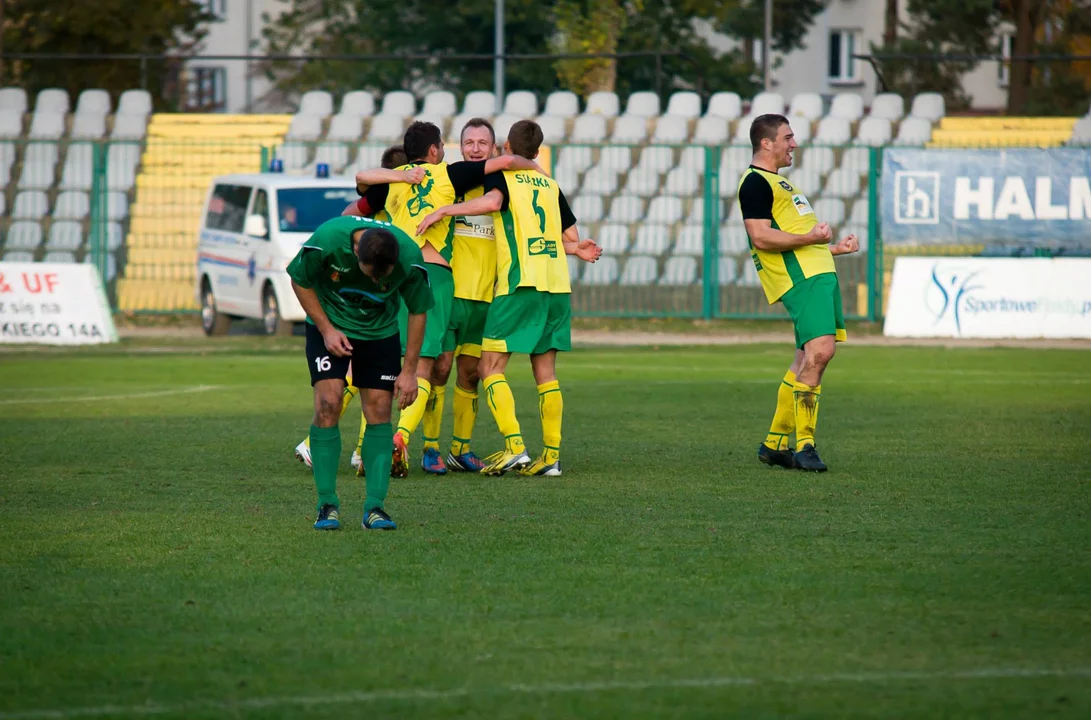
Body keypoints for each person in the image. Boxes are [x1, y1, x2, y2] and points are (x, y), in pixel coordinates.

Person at [354, 120, 545, 478]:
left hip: (485, 292)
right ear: (442, 149)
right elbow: (361, 200)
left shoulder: (493, 182)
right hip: (444, 285)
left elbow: (362, 181)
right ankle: (415, 444)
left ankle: (458, 448)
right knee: (431, 367)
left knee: (467, 374)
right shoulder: (448, 178)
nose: (475, 147)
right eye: (467, 142)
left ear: (493, 146)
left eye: (482, 142)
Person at [415, 119, 602, 476]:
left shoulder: (503, 177)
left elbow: (492, 202)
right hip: (557, 286)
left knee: (488, 367)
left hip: (519, 283)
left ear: (503, 149)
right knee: (546, 373)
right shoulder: (549, 183)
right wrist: (576, 250)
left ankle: (514, 445)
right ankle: (551, 457)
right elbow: (568, 235)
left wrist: (444, 210)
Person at [287, 215, 434, 530]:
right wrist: (326, 329)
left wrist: (409, 371)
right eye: (371, 274)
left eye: (386, 276)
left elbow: (419, 310)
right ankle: (327, 504)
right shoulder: (328, 239)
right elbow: (299, 278)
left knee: (380, 409)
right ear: (355, 255)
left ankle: (375, 509)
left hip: (380, 333)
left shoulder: (410, 256)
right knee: (328, 402)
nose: (379, 281)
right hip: (330, 326)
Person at [737, 113, 860, 472]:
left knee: (804, 359)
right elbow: (760, 236)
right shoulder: (756, 183)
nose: (794, 143)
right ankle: (805, 446)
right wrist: (812, 239)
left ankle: (775, 444)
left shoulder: (781, 183)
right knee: (821, 353)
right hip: (804, 281)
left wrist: (833, 248)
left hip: (817, 273)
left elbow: (796, 239)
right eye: (788, 137)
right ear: (766, 143)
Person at [294, 144, 410, 473]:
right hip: (377, 297)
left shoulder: (386, 196)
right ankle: (363, 449)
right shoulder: (388, 194)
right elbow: (349, 213)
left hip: (384, 290)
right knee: (383, 379)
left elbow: (350, 208)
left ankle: (356, 448)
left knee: (369, 379)